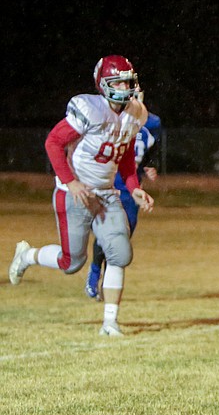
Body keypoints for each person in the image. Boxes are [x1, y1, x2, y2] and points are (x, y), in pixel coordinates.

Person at [10, 55, 155, 337]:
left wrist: (134, 186)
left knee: (119, 253)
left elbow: (123, 152)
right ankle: (28, 255)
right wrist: (71, 182)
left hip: (106, 195)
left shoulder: (136, 112)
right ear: (104, 85)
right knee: (71, 263)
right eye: (120, 81)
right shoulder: (89, 108)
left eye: (129, 80)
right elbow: (53, 142)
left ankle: (110, 323)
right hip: (74, 194)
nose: (127, 86)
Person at [85, 111, 162, 301]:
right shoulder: (108, 115)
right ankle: (95, 274)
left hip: (130, 188)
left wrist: (150, 165)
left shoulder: (152, 122)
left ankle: (107, 284)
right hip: (108, 184)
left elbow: (151, 148)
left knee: (122, 238)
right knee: (107, 234)